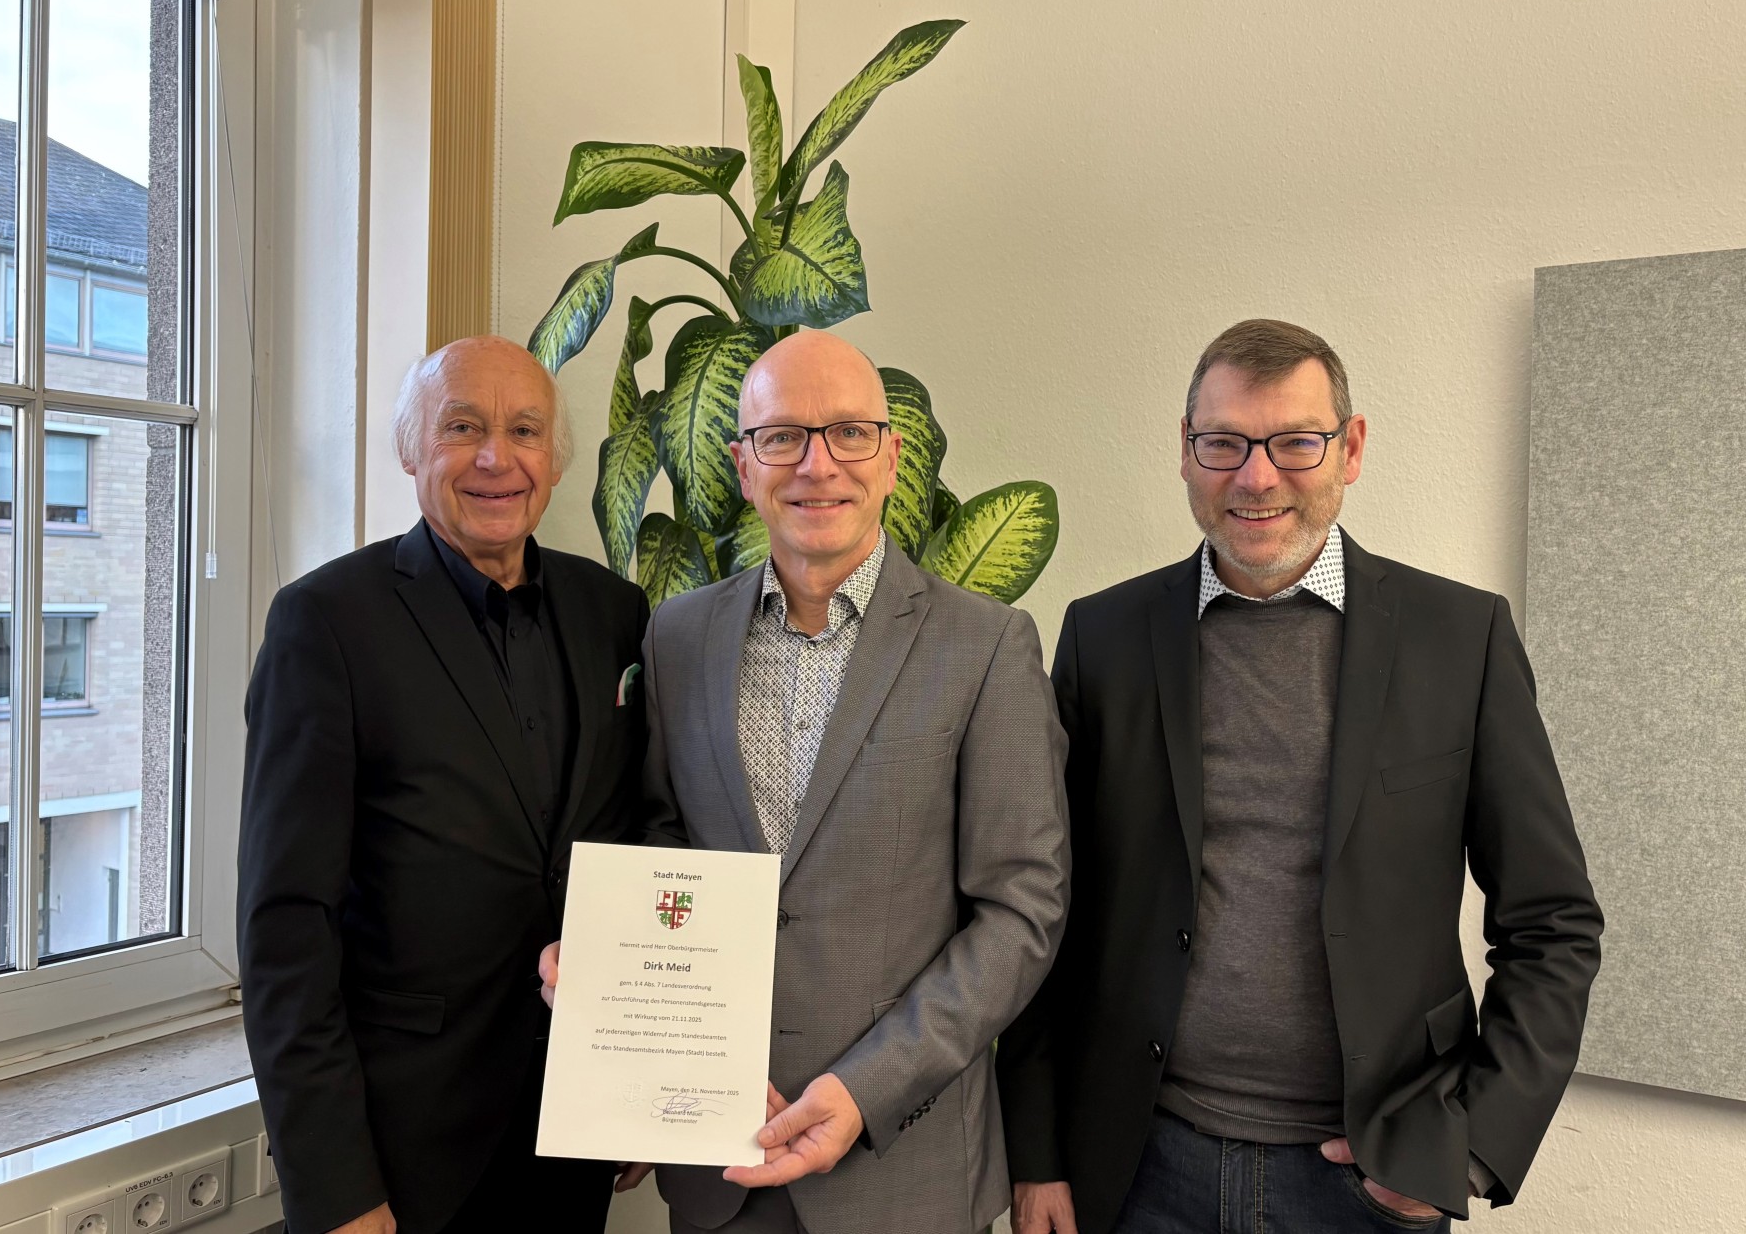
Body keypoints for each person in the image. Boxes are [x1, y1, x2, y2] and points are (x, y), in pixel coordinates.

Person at [998, 318, 1602, 1234]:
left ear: (1349, 449)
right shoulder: (1103, 638)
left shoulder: (1460, 638)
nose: (1256, 475)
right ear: (1187, 453)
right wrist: (1038, 1153)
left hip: (1366, 1184)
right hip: (1138, 1165)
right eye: (1224, 443)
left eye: (1294, 442)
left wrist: (1470, 1143)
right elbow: (1045, 910)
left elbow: (1553, 923)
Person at [602, 329, 1069, 1234]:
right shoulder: (677, 637)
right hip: (720, 1167)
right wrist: (650, 1042)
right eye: (782, 437)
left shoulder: (987, 647)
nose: (818, 465)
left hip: (904, 1175)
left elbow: (1023, 910)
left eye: (850, 433)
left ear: (893, 459)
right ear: (742, 466)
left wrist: (864, 1090)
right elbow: (666, 845)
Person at [237, 336, 650, 1234]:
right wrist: (336, 1188)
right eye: (462, 427)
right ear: (412, 450)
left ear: (554, 458)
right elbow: (284, 927)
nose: (497, 458)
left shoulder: (614, 613)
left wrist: (638, 1080)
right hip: (402, 1154)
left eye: (524, 430)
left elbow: (627, 845)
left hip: (569, 1131)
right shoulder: (326, 623)